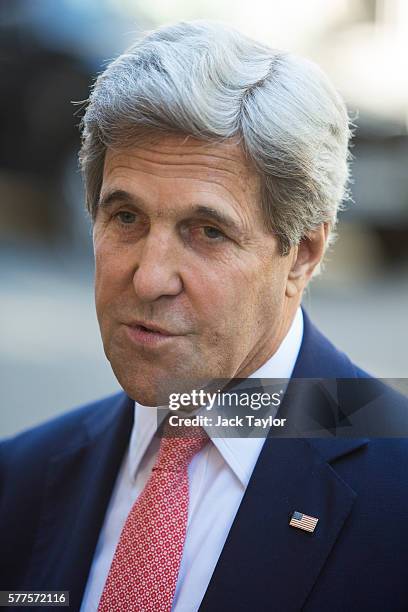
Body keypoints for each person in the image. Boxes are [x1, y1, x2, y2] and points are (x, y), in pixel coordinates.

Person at [1, 20, 408, 612]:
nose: (149, 277)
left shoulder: (396, 484)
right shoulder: (22, 479)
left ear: (304, 253)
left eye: (208, 231)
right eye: (126, 219)